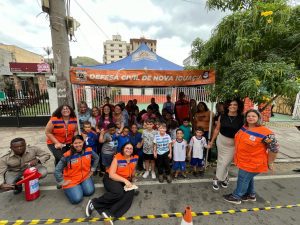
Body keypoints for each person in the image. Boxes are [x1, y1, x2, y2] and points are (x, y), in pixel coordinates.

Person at [223, 109, 279, 204]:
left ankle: (237, 196)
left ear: (258, 118)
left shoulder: (266, 133)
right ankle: (250, 195)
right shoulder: (244, 127)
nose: (251, 118)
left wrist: (270, 162)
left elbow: (274, 149)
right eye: (249, 116)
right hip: (243, 160)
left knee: (243, 178)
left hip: (254, 162)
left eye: (253, 116)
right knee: (248, 177)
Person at [85, 143, 139, 224]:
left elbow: (133, 169)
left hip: (124, 180)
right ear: (123, 149)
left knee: (130, 193)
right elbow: (112, 174)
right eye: (127, 148)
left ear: (133, 150)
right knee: (119, 193)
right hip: (111, 178)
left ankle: (109, 214)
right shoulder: (117, 157)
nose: (129, 150)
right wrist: (125, 181)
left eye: (131, 148)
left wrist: (133, 179)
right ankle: (94, 203)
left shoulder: (135, 158)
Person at [208, 99, 244, 190]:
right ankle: (223, 178)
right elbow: (217, 129)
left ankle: (218, 177)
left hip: (233, 143)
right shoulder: (222, 116)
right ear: (227, 106)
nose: (232, 106)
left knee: (226, 162)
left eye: (235, 104)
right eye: (230, 104)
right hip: (221, 141)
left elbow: (245, 131)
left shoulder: (242, 118)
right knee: (221, 161)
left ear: (238, 106)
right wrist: (212, 141)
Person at [54, 135, 99, 204]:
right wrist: (62, 182)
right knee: (77, 199)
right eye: (75, 143)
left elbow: (96, 158)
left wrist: (92, 170)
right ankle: (68, 188)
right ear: (72, 144)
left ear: (83, 142)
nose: (78, 145)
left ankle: (79, 187)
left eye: (80, 142)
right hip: (72, 180)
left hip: (85, 176)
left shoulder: (88, 150)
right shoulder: (67, 155)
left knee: (89, 192)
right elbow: (57, 170)